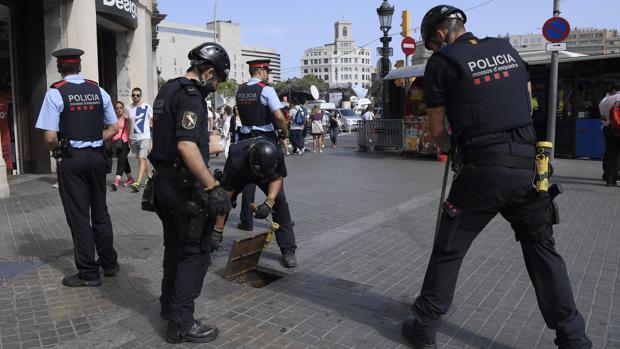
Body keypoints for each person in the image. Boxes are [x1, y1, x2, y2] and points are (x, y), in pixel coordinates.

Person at [401, 6, 592, 349]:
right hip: (527, 169)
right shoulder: (506, 50)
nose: (434, 50)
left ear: (440, 35)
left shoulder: (442, 63)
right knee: (542, 251)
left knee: (449, 248)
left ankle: (424, 326)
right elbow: (527, 101)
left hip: (482, 171)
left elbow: (436, 130)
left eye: (432, 44)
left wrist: (452, 147)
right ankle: (573, 338)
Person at [149, 42, 232, 344]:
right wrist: (212, 186)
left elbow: (170, 140)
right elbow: (185, 146)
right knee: (192, 254)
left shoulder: (167, 90)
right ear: (208, 72)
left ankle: (168, 307)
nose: (216, 85)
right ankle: (181, 324)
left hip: (163, 183)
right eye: (217, 79)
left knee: (174, 248)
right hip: (184, 188)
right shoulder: (191, 96)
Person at [35, 48, 119, 287]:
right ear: (80, 67)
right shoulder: (98, 90)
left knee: (79, 216)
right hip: (97, 158)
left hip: (72, 160)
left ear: (60, 68)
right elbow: (113, 128)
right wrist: (94, 139)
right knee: (100, 212)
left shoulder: (56, 93)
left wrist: (59, 152)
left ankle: (89, 273)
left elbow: (50, 136)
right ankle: (109, 263)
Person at [213, 138, 297, 267]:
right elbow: (225, 198)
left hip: (266, 170)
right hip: (241, 175)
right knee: (219, 203)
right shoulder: (236, 160)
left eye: (264, 174)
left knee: (280, 204)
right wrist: (218, 228)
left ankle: (288, 249)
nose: (261, 177)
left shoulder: (276, 154)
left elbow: (278, 177)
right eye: (260, 174)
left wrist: (269, 203)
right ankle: (209, 242)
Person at [234, 59, 290, 233]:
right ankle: (282, 222)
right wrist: (285, 132)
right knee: (276, 184)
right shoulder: (266, 90)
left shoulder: (240, 89)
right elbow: (279, 117)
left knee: (248, 182)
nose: (268, 74)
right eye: (267, 71)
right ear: (259, 70)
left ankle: (246, 221)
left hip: (245, 140)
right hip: (264, 139)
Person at [127, 87, 153, 192]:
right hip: (134, 138)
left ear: (140, 96)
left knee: (141, 159)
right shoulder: (128, 108)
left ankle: (137, 182)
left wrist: (152, 139)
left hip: (145, 137)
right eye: (133, 95)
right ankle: (150, 178)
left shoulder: (147, 106)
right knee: (142, 159)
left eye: (137, 95)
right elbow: (128, 124)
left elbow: (152, 122)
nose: (135, 97)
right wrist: (129, 138)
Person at [599, 86, 620, 186]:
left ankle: (610, 179)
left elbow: (602, 116)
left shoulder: (606, 100)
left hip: (609, 129)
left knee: (611, 153)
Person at [110, 101, 134, 190]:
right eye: (117, 108)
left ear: (123, 108)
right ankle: (130, 179)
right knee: (124, 160)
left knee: (121, 160)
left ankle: (116, 181)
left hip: (124, 141)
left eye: (120, 107)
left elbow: (129, 128)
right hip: (116, 143)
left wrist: (130, 142)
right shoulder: (112, 118)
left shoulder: (125, 117)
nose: (119, 109)